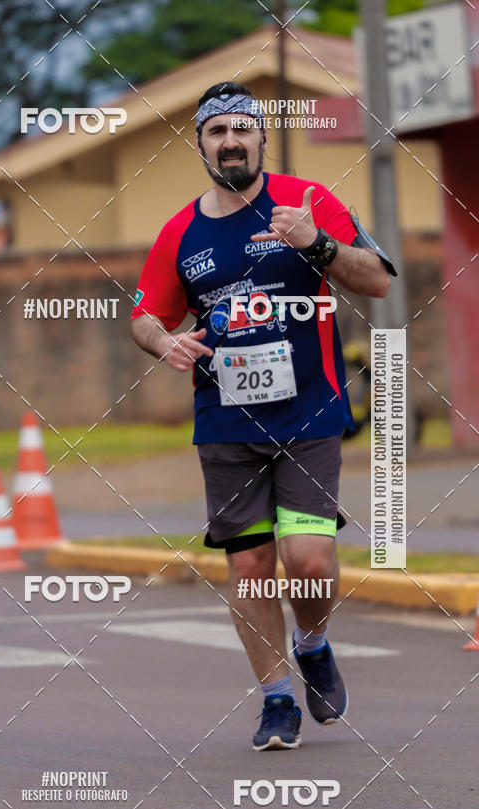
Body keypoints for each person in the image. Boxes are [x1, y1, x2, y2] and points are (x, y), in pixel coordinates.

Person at [131, 82, 395, 750]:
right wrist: (166, 341)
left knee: (308, 561)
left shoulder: (310, 202)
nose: (230, 141)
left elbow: (379, 279)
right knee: (249, 568)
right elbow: (145, 314)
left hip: (307, 411)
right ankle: (276, 699)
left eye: (240, 129)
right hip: (225, 419)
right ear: (200, 143)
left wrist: (318, 245)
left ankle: (313, 643)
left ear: (261, 138)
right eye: (215, 131)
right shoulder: (180, 232)